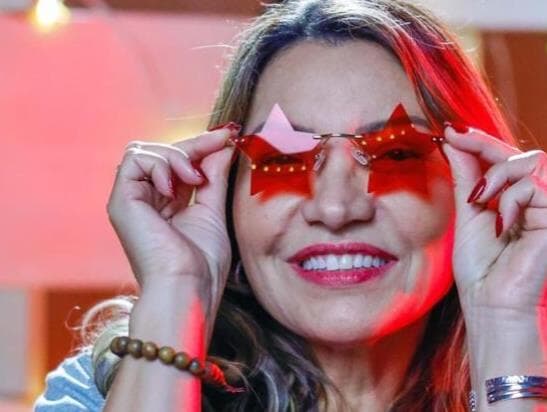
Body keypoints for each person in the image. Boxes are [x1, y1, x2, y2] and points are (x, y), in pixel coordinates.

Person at [34, 0, 547, 411]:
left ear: (475, 184)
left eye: (395, 154)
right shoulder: (108, 390)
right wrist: (178, 291)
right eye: (281, 159)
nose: (337, 208)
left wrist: (504, 326)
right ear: (224, 192)